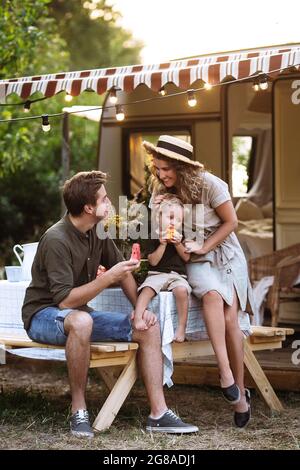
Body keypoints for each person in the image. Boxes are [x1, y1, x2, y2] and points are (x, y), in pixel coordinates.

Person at [22, 170, 198, 438]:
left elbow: (123, 271)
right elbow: (65, 300)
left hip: (80, 314)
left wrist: (141, 312)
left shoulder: (98, 231)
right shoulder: (56, 239)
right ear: (88, 208)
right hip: (44, 315)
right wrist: (109, 278)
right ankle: (78, 410)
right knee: (82, 321)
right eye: (104, 199)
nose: (109, 202)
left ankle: (159, 414)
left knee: (148, 326)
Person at [143, 135, 254, 428]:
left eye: (166, 169)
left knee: (232, 320)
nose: (161, 174)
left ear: (182, 167)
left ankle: (238, 393)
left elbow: (231, 223)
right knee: (211, 297)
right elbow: (159, 226)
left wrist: (205, 246)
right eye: (157, 168)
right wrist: (155, 212)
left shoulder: (210, 184)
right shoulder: (161, 188)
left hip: (225, 253)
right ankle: (226, 374)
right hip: (195, 257)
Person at [134, 194, 191, 342]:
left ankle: (181, 327)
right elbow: (153, 261)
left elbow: (186, 258)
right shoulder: (154, 235)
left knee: (182, 291)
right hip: (157, 273)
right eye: (170, 218)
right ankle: (138, 317)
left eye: (179, 220)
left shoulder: (182, 236)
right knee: (147, 290)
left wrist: (178, 244)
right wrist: (163, 244)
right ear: (159, 218)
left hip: (177, 275)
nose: (174, 223)